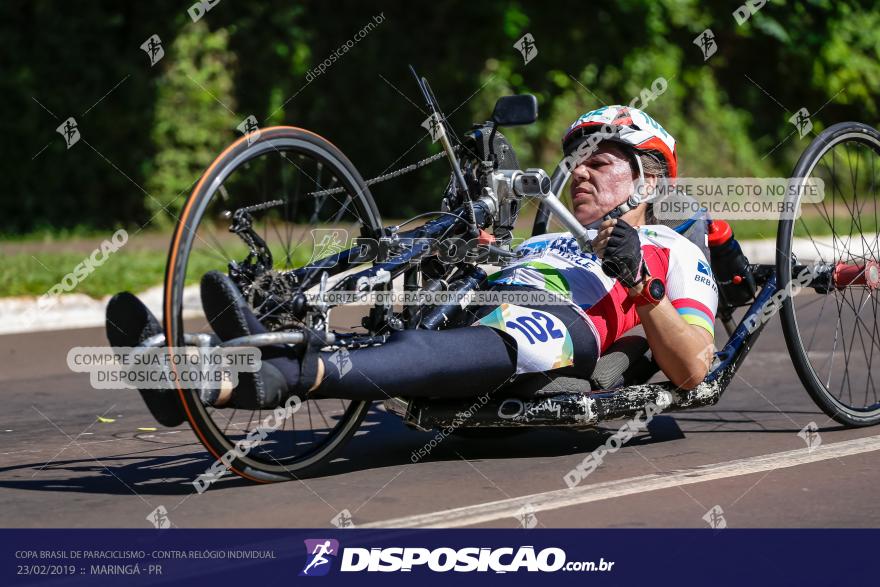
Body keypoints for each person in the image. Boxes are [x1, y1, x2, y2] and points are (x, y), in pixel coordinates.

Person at [106, 105, 717, 425]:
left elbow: (693, 365)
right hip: (473, 302)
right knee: (405, 273)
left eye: (601, 161)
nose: (580, 171)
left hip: (535, 334)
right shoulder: (543, 239)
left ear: (650, 177)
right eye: (576, 160)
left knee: (404, 352)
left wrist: (641, 282)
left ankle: (243, 375)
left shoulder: (674, 250)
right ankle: (196, 361)